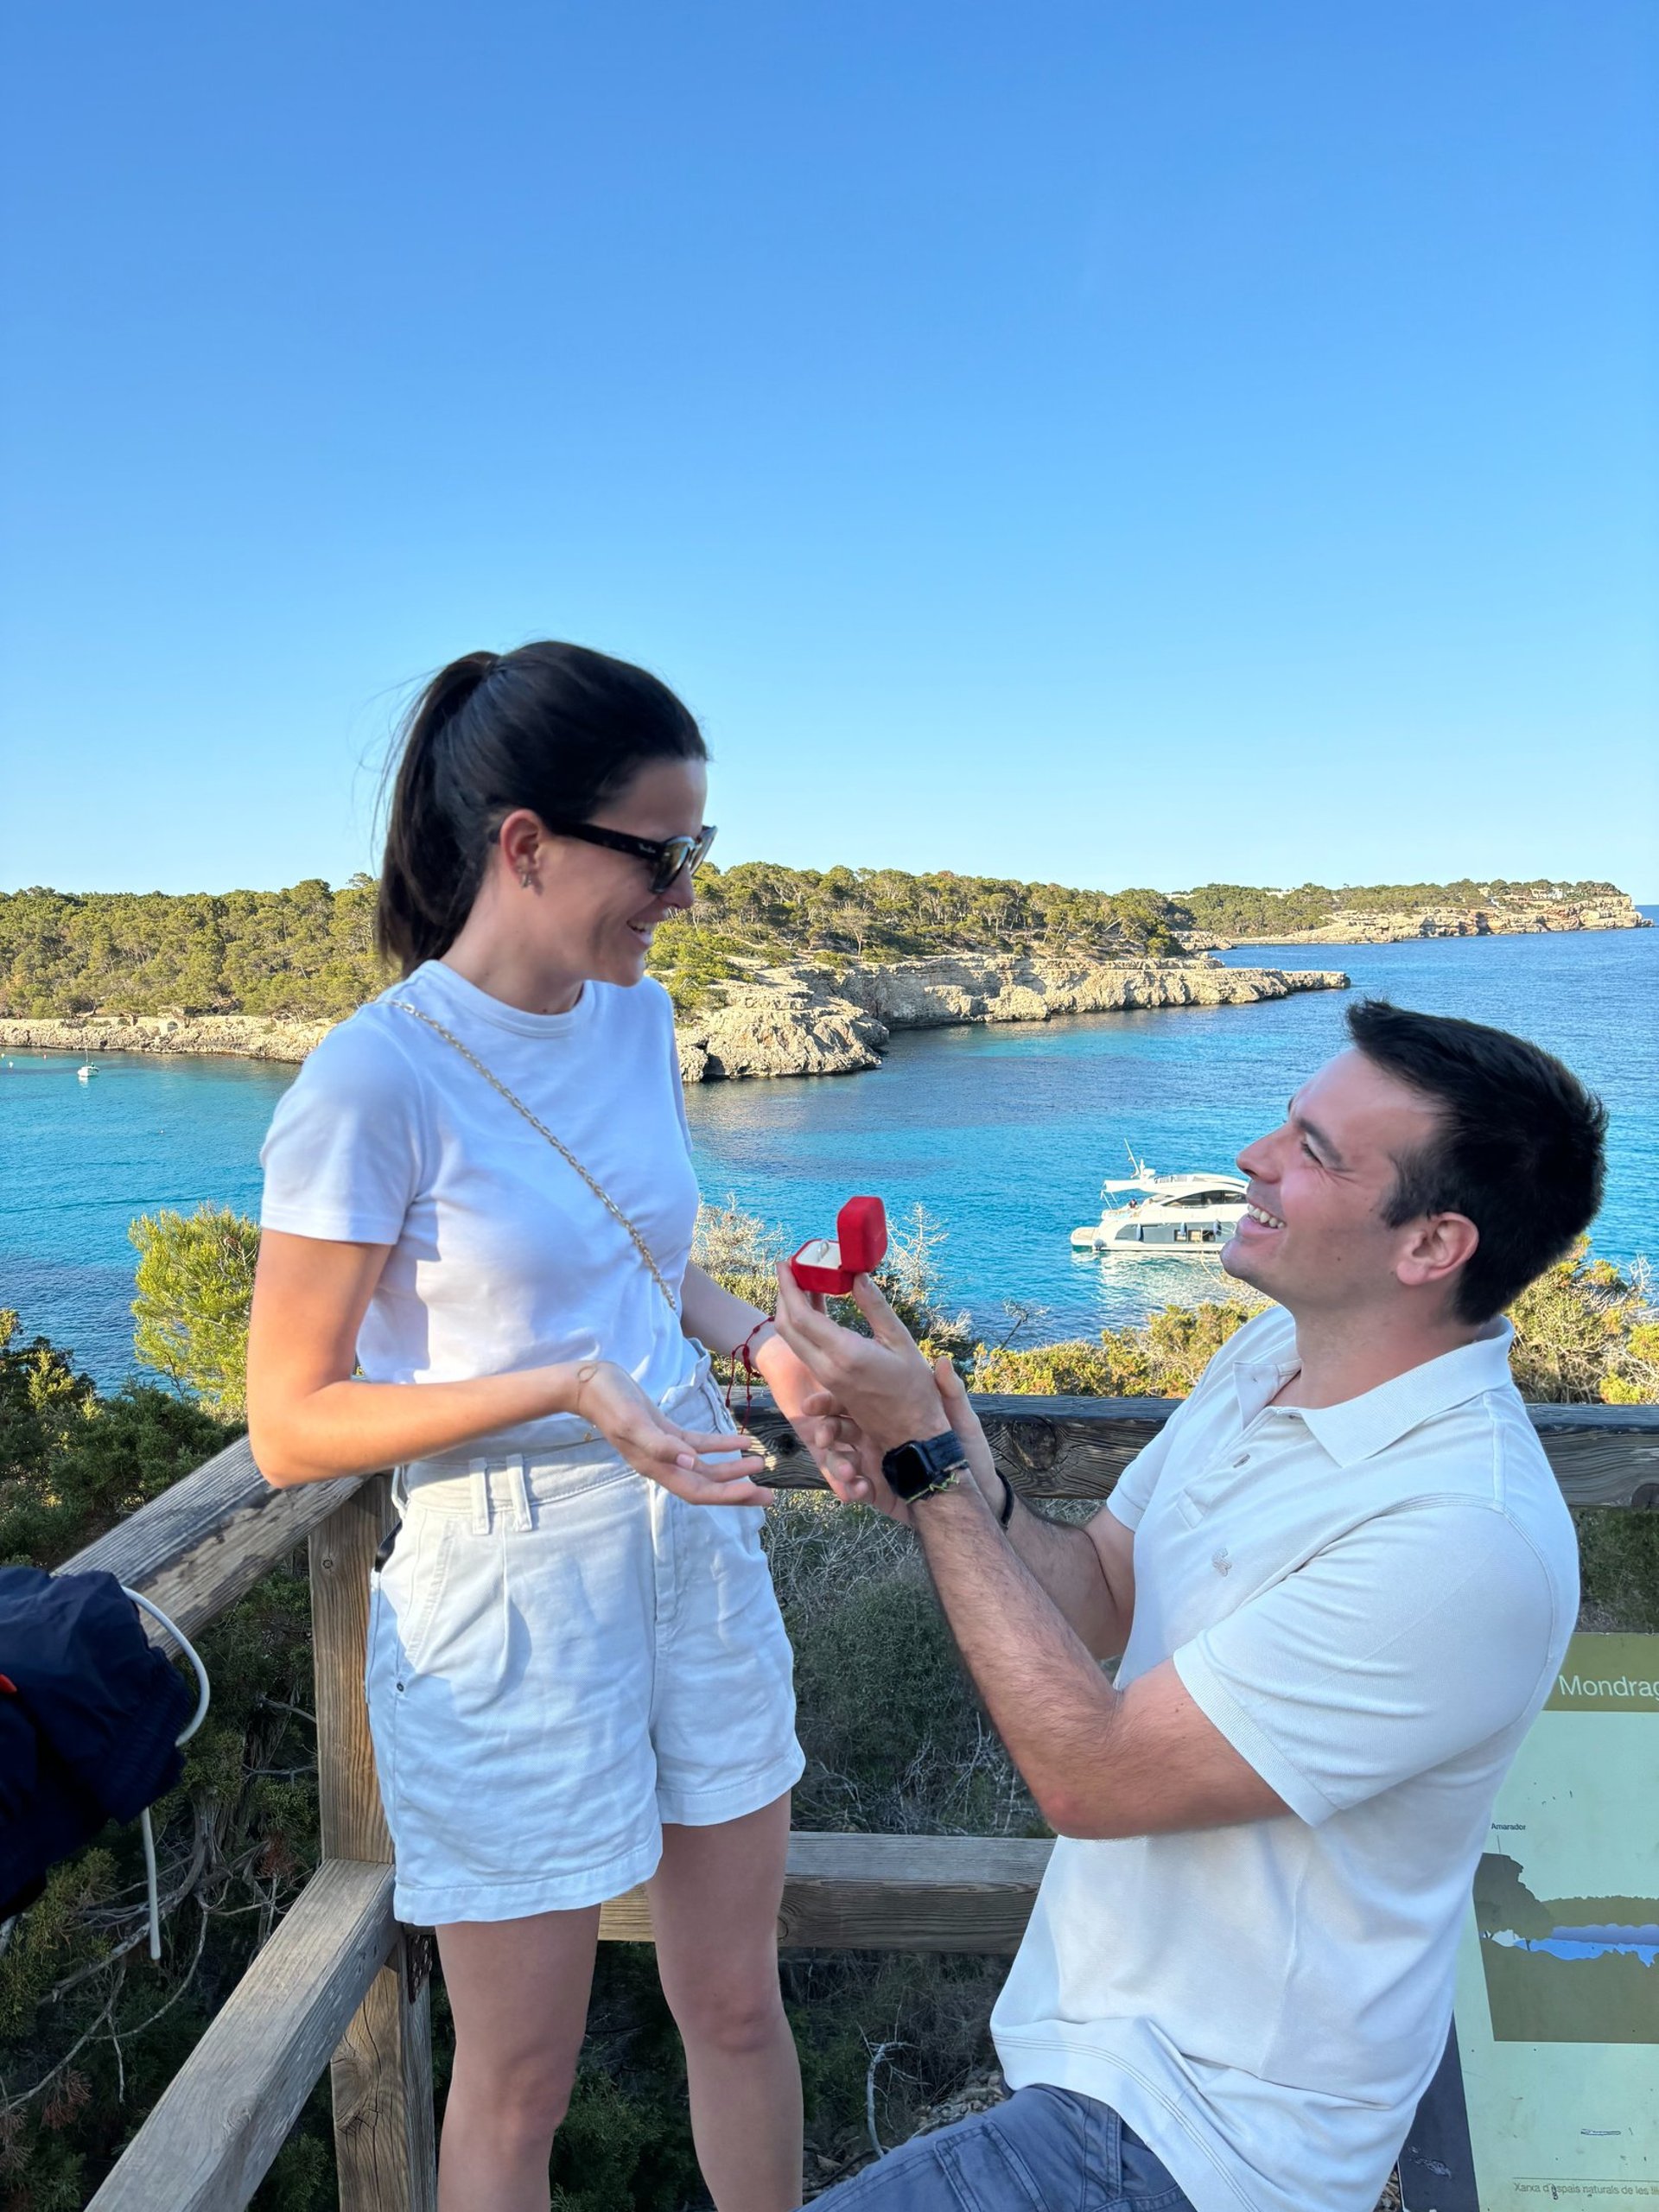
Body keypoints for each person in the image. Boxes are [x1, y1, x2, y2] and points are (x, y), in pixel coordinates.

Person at [770, 1000, 1605, 2212]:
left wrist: (928, 1473)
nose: (1253, 1158)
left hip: (1210, 2148)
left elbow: (1091, 1779)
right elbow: (1103, 1594)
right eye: (1285, 1123)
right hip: (1104, 2081)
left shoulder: (1461, 1536)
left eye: (1313, 1150)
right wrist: (953, 1477)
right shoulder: (1263, 1365)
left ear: (1432, 1247)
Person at [247, 642, 832, 2212]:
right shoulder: (371, 1082)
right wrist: (573, 1391)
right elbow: (292, 1425)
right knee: (520, 2082)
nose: (688, 895)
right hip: (506, 1590)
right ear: (526, 843)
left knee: (735, 2003)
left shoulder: (632, 1022)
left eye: (698, 852)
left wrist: (760, 1347)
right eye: (665, 855)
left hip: (694, 1537)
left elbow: (640, 1257)